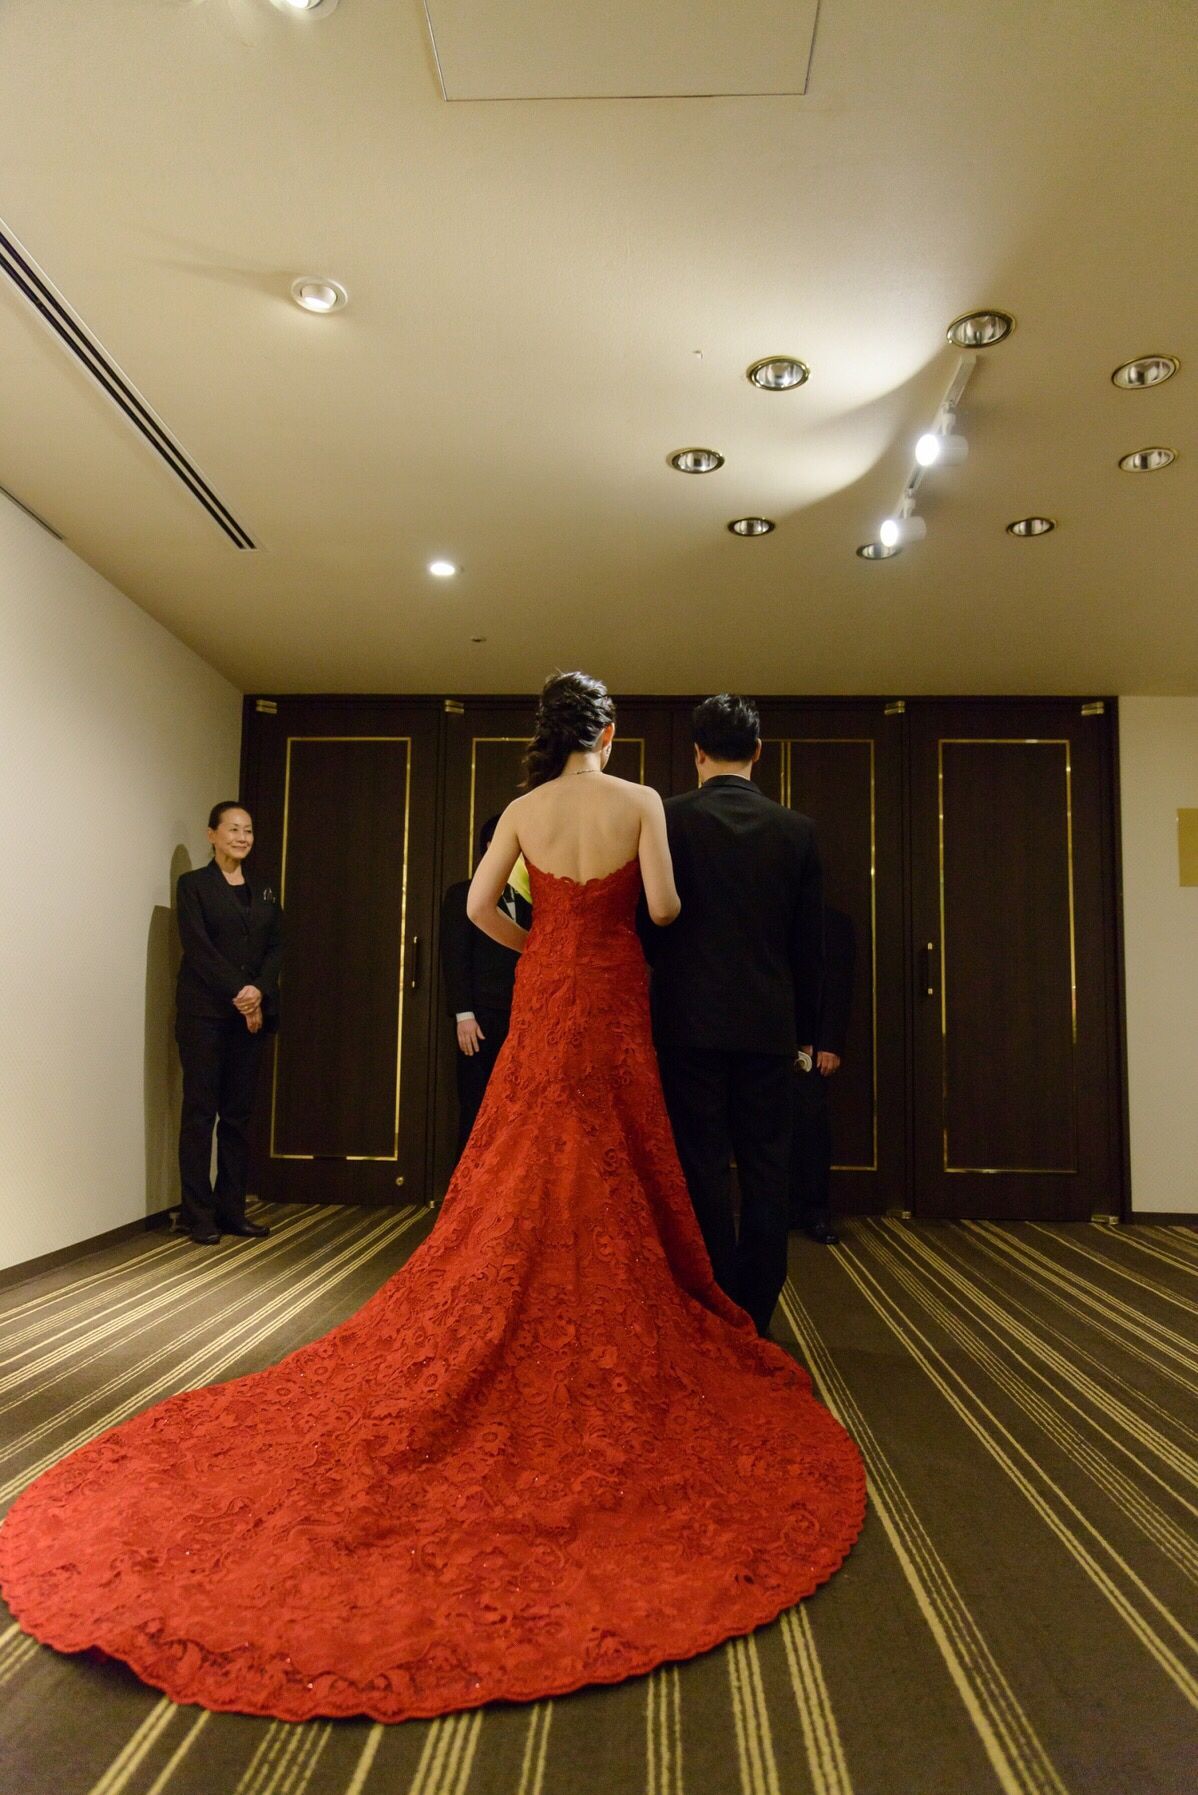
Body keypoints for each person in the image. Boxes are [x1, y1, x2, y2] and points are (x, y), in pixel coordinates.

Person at [0, 673, 863, 1726]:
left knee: (524, 1143)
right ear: (606, 732)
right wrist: (606, 929)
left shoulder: (522, 808)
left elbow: (476, 908)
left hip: (547, 987)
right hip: (611, 989)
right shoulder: (641, 801)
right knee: (618, 1146)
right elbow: (667, 908)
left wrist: (544, 940)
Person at [649, 695, 823, 1336]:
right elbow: (810, 947)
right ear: (758, 751)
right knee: (766, 1167)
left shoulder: (668, 820)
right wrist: (808, 1034)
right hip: (768, 1026)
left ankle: (711, 1301)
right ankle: (757, 1307)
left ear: (696, 753)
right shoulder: (796, 830)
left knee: (699, 1164)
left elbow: (648, 923)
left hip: (686, 1022)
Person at [173, 802, 283, 1245]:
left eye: (248, 830)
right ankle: (197, 1214)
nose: (242, 838)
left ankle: (231, 1210)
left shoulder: (265, 889)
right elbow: (198, 948)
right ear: (212, 835)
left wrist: (259, 991)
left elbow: (276, 946)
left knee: (238, 1116)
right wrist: (241, 993)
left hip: (251, 1016)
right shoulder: (193, 886)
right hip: (205, 1014)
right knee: (201, 1113)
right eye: (233, 829)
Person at [440, 815, 533, 1160]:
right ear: (489, 847)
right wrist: (463, 1015)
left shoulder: (533, 898)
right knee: (476, 1106)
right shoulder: (463, 894)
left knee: (520, 1108)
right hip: (479, 1019)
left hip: (523, 1017)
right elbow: (455, 957)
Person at [791, 906, 856, 1246]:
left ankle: (816, 1211)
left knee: (811, 1126)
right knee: (766, 1128)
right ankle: (784, 1209)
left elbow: (838, 983)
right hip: (764, 1039)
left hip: (813, 1046)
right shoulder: (764, 913)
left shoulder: (831, 921)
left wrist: (830, 1043)